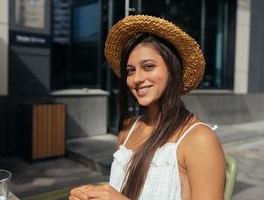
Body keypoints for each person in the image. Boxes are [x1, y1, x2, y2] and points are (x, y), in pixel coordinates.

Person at [69, 15, 225, 200]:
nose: (136, 79)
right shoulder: (128, 128)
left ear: (173, 71)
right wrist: (91, 194)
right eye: (130, 71)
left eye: (148, 66)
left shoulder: (200, 140)